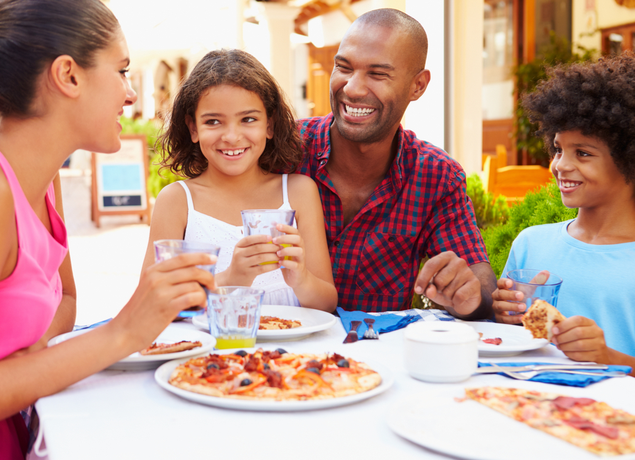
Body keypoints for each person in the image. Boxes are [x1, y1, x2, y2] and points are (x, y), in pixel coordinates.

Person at [0, 1, 216, 458]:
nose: (131, 94)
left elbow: (66, 302)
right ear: (69, 76)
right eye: (121, 71)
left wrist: (26, 359)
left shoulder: (43, 182)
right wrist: (123, 332)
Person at [296, 9, 496, 316]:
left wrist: (467, 292)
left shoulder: (435, 176)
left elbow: (479, 281)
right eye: (343, 67)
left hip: (378, 358)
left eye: (377, 74)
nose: (352, 88)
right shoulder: (285, 151)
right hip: (271, 353)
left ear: (418, 86)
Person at [141, 50, 337, 312]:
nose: (232, 136)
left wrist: (300, 278)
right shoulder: (178, 201)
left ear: (270, 124)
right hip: (209, 351)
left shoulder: (298, 192)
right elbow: (148, 304)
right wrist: (231, 278)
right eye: (213, 121)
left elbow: (327, 304)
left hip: (292, 353)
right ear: (193, 129)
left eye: (248, 119)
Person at [492, 52, 635, 370]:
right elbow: (509, 340)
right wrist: (506, 315)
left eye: (582, 153)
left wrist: (609, 358)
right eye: (558, 149)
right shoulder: (530, 243)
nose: (560, 165)